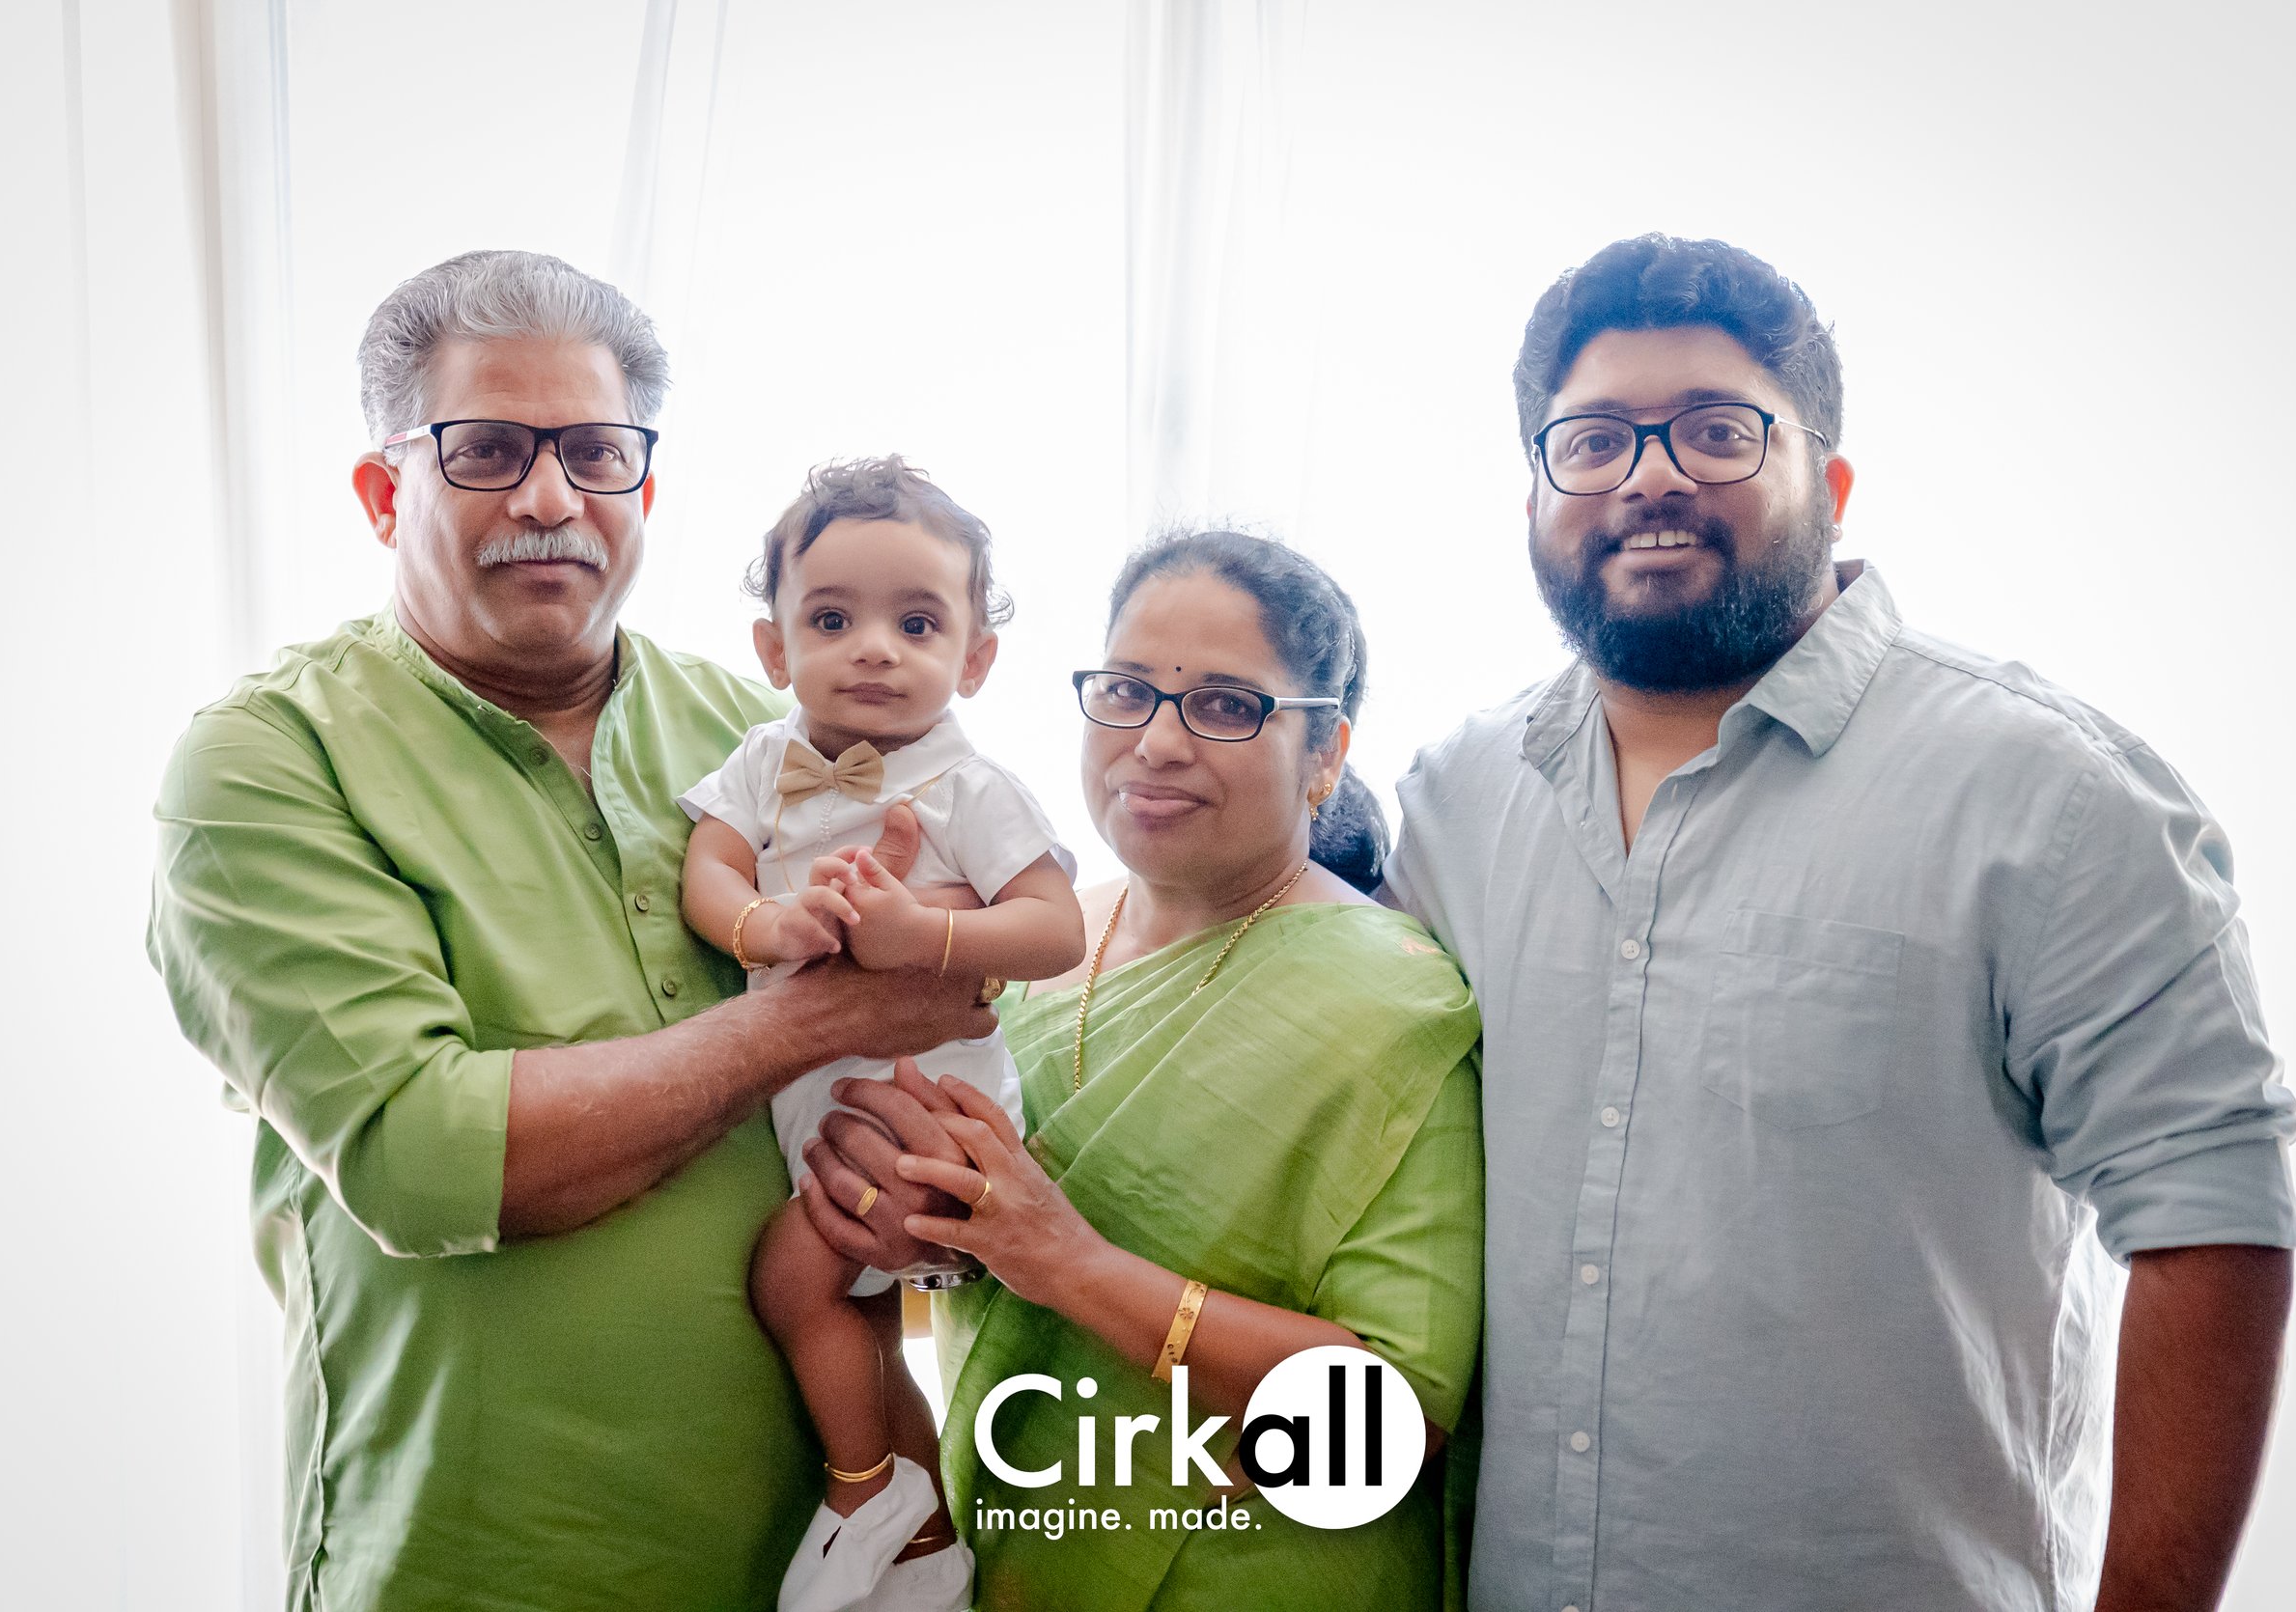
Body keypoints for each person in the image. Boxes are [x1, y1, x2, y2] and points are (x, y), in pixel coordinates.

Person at [1383, 234, 2296, 1611]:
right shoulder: (1455, 798)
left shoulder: (2046, 792)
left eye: (1716, 430)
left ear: (1835, 480)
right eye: (1593, 441)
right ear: (1535, 491)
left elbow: (2211, 1220)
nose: (1650, 475)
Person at [147, 250, 994, 1612]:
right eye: (487, 448)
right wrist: (819, 1015)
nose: (552, 496)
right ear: (384, 493)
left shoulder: (777, 740)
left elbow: (962, 1025)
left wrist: (924, 1193)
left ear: (643, 490)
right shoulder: (269, 761)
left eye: (597, 453)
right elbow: (426, 1159)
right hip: (469, 1562)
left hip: (811, 1565)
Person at [801, 532, 1485, 1611]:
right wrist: (925, 1243)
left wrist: (1070, 1261)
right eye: (1125, 691)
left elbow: (1386, 1431)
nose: (1155, 743)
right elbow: (953, 1286)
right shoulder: (1017, 946)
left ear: (1325, 751)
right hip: (1017, 1541)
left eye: (1224, 704)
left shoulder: (1392, 1006)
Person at [680, 456, 1084, 1611]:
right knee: (842, 1298)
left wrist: (921, 936)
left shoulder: (974, 786)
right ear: (773, 650)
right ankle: (911, 1538)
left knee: (794, 1278)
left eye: (916, 621)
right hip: (821, 1107)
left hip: (929, 1104)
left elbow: (1055, 928)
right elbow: (707, 864)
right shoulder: (765, 762)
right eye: (831, 617)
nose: (874, 646)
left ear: (973, 658)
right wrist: (764, 916)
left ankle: (867, 1489)